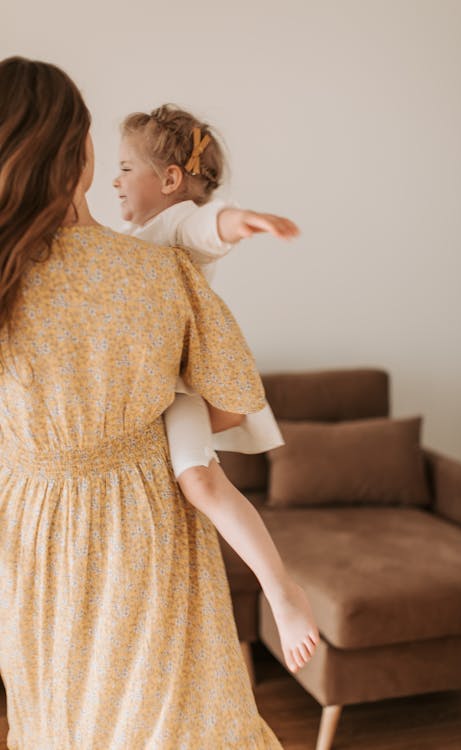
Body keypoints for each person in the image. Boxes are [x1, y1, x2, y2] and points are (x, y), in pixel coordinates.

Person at [0, 56, 288, 749]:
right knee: (170, 720)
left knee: (58, 721)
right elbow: (227, 406)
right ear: (81, 153)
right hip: (140, 528)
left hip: (25, 534)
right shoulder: (156, 272)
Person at [113, 104, 319, 677]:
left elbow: (208, 224)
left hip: (177, 389)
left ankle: (282, 592)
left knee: (200, 480)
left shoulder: (171, 224)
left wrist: (243, 221)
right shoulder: (124, 239)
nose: (114, 179)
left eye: (126, 167)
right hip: (144, 389)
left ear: (171, 180)